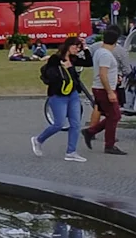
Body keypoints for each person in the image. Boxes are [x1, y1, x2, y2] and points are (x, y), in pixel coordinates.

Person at [31, 37, 89, 162]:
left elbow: (89, 63)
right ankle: (38, 139)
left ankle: (71, 152)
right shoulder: (55, 59)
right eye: (75, 47)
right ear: (68, 46)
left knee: (76, 124)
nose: (77, 50)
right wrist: (65, 68)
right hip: (58, 95)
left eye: (79, 48)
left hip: (72, 94)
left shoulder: (73, 59)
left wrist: (86, 48)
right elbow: (51, 77)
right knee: (59, 124)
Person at [84, 27, 126, 155]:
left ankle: (92, 132)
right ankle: (108, 144)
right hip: (103, 89)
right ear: (116, 41)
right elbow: (103, 74)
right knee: (114, 116)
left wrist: (115, 78)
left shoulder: (100, 52)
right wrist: (110, 92)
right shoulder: (106, 55)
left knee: (113, 116)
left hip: (103, 88)